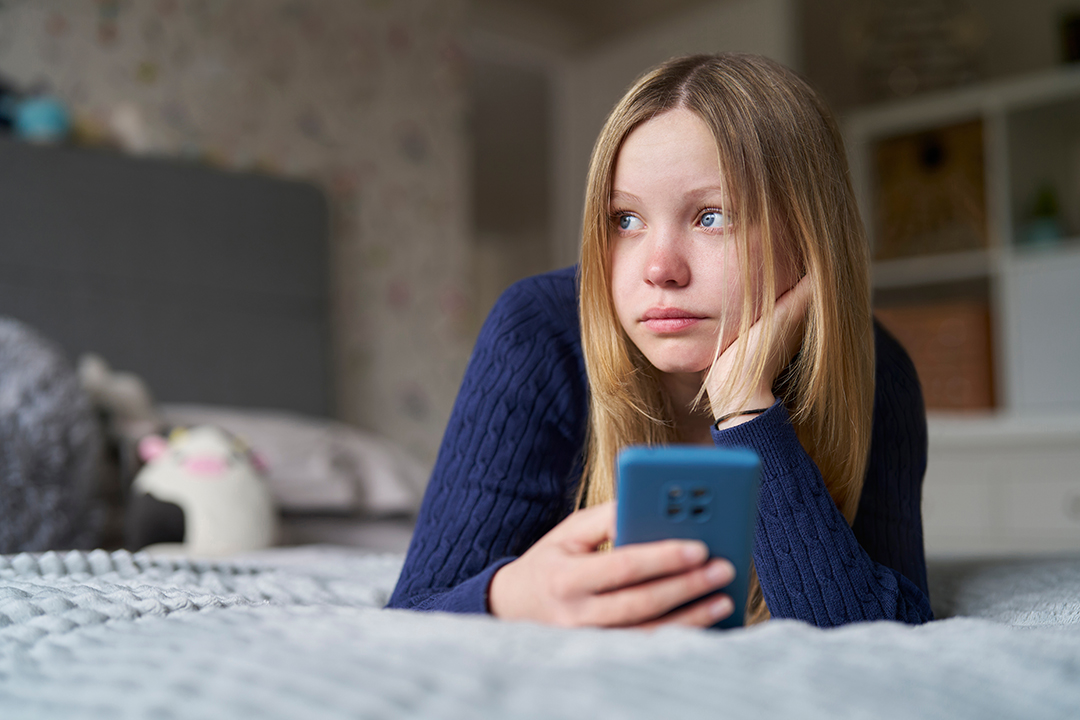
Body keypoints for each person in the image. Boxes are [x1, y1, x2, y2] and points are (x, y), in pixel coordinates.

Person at [388, 53, 932, 629]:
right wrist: (508, 596)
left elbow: (881, 639)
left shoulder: (878, 371)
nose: (659, 269)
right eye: (625, 219)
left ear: (808, 236)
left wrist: (747, 408)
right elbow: (412, 614)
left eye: (712, 217)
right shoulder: (537, 335)